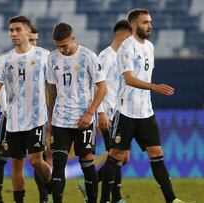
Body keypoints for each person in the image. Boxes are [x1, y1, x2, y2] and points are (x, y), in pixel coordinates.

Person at [99, 9, 193, 203]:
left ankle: (172, 199)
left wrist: (151, 90)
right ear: (133, 26)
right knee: (116, 155)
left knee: (156, 153)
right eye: (145, 22)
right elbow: (128, 79)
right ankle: (104, 200)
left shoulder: (149, 46)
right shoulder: (126, 47)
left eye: (150, 22)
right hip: (126, 111)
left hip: (145, 111)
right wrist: (154, 87)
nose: (150, 25)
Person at [0, 15, 52, 203]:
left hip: (37, 118)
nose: (13, 34)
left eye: (17, 30)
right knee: (16, 163)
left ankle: (51, 184)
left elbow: (52, 86)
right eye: (11, 30)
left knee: (35, 160)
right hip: (14, 120)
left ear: (28, 32)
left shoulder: (44, 56)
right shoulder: (4, 59)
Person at [46, 22, 106, 203]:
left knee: (87, 163)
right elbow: (51, 90)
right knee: (58, 165)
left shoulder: (88, 57)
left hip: (84, 120)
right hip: (60, 121)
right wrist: (50, 118)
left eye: (65, 46)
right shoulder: (52, 58)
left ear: (73, 39)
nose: (62, 50)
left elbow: (102, 88)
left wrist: (90, 114)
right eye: (58, 46)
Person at [77, 20, 132, 203]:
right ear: (120, 35)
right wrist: (99, 113)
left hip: (122, 113)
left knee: (122, 158)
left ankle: (90, 185)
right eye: (130, 36)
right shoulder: (106, 56)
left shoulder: (126, 57)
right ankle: (115, 197)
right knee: (117, 156)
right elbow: (96, 86)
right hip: (108, 114)